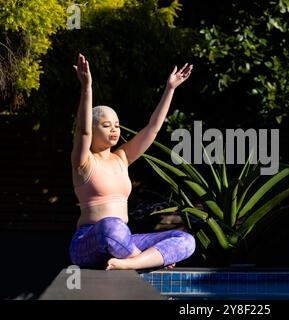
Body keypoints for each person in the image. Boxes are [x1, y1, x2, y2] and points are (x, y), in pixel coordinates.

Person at [69, 53, 195, 270]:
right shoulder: (83, 162)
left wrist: (170, 89)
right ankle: (144, 260)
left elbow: (153, 128)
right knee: (112, 227)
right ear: (94, 128)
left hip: (123, 241)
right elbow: (82, 131)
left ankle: (128, 263)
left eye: (117, 125)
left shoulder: (122, 157)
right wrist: (86, 87)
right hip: (89, 242)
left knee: (185, 240)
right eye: (107, 125)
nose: (115, 129)